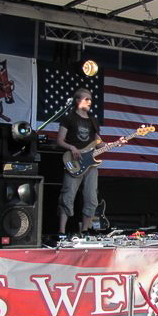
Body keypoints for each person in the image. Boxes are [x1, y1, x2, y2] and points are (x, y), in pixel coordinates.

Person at [56, 88, 103, 235]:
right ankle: (62, 232)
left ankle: (85, 230)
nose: (90, 102)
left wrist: (115, 143)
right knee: (68, 195)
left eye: (91, 99)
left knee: (92, 197)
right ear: (77, 100)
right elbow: (59, 140)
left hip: (91, 164)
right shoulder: (69, 118)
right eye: (86, 99)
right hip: (74, 161)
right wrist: (72, 147)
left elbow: (98, 142)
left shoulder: (93, 120)